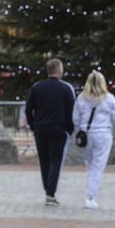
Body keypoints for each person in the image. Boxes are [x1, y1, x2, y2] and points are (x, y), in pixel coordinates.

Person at [25, 58, 75, 206]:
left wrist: (33, 126)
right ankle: (50, 192)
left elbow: (28, 109)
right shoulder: (66, 88)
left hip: (40, 129)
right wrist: (69, 130)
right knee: (55, 161)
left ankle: (48, 188)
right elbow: (71, 111)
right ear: (59, 70)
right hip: (59, 129)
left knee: (44, 161)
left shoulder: (37, 87)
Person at [72, 71, 115, 209]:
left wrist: (80, 130)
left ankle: (90, 194)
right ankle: (90, 197)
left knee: (90, 165)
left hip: (86, 134)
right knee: (97, 166)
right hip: (103, 133)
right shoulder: (109, 98)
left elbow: (75, 118)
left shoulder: (81, 98)